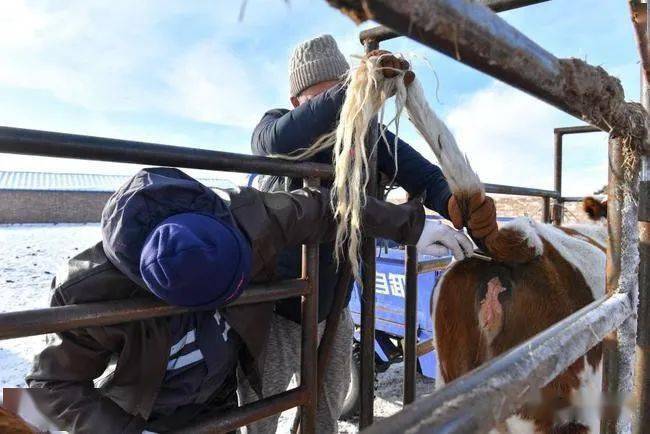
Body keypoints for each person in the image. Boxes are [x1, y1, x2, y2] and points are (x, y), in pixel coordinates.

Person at [26, 167, 473, 433]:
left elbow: (323, 207)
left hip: (218, 398)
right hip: (146, 412)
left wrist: (411, 227)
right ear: (161, 294)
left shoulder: (243, 216)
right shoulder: (88, 293)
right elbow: (51, 384)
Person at [244, 34, 498, 433]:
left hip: (334, 307)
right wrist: (354, 87)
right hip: (275, 308)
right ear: (297, 102)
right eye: (322, 94)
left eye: (341, 90)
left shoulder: (367, 137)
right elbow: (273, 142)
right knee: (259, 421)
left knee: (324, 413)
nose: (341, 104)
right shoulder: (275, 129)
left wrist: (455, 201)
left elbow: (425, 175)